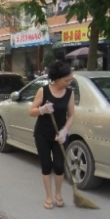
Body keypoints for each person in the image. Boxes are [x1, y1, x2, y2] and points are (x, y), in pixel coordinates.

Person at [29, 61, 75, 209]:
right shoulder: (43, 91)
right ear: (57, 78)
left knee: (59, 166)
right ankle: (49, 196)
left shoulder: (69, 93)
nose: (68, 83)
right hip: (42, 134)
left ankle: (59, 194)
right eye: (66, 80)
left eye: (70, 80)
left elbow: (72, 115)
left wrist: (64, 131)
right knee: (46, 165)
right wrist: (42, 110)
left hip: (59, 136)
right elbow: (31, 111)